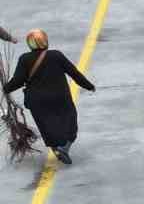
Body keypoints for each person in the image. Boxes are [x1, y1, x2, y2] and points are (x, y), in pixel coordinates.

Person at [3, 30, 95, 165]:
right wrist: (88, 86)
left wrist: (6, 89)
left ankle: (56, 148)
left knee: (46, 125)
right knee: (69, 122)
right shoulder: (56, 55)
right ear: (45, 41)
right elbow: (74, 73)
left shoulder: (24, 59)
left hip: (37, 101)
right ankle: (64, 147)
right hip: (60, 98)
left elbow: (18, 80)